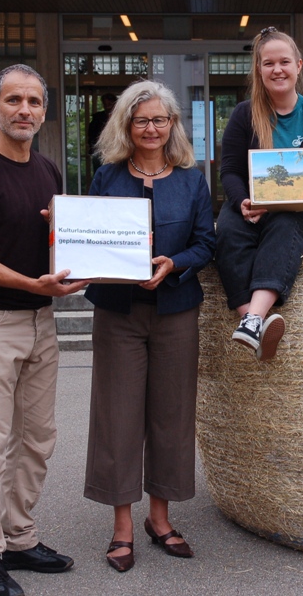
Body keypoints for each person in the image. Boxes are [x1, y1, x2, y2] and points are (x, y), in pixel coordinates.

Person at [0, 64, 89, 596]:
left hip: (39, 322)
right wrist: (34, 284)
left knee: (37, 439)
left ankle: (19, 537)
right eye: (13, 101)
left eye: (33, 101)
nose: (23, 110)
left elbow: (54, 238)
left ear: (44, 112)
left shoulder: (48, 171)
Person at [82, 80, 215, 571]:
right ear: (126, 125)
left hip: (177, 310)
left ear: (173, 125)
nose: (152, 128)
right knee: (117, 416)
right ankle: (121, 526)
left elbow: (207, 243)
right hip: (117, 312)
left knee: (171, 415)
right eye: (142, 120)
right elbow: (90, 237)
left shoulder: (191, 179)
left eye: (161, 119)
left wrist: (174, 263)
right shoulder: (107, 176)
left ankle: (159, 519)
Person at [216, 27, 303, 360]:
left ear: (299, 66)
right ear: (259, 70)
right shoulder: (244, 114)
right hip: (252, 205)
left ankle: (252, 320)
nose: (277, 70)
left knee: (284, 227)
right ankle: (254, 323)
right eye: (269, 63)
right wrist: (241, 201)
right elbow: (229, 171)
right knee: (227, 231)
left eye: (284, 62)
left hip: (299, 212)